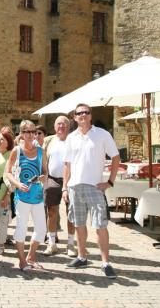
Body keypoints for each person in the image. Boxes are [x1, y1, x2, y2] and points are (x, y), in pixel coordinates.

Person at [62, 103, 119, 279]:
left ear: (90, 116)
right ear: (75, 117)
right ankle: (82, 257)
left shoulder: (102, 134)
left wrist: (110, 181)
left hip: (95, 187)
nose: (83, 115)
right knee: (79, 224)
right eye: (79, 113)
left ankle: (105, 263)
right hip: (74, 187)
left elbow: (116, 157)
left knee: (100, 226)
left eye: (86, 113)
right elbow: (67, 164)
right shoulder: (71, 137)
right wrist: (65, 187)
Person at [5, 120, 48, 271]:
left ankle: (31, 256)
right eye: (28, 132)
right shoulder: (17, 151)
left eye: (33, 131)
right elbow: (7, 172)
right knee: (21, 228)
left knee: (42, 229)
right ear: (22, 134)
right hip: (22, 196)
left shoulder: (41, 151)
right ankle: (22, 261)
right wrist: (17, 184)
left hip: (37, 196)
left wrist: (43, 177)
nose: (31, 135)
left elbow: (44, 171)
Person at [42, 116, 77, 257]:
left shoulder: (73, 140)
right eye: (59, 124)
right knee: (51, 212)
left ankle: (70, 244)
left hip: (70, 181)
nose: (61, 126)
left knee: (71, 214)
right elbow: (42, 158)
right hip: (52, 180)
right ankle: (52, 243)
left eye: (64, 124)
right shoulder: (49, 140)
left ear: (68, 127)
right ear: (55, 126)